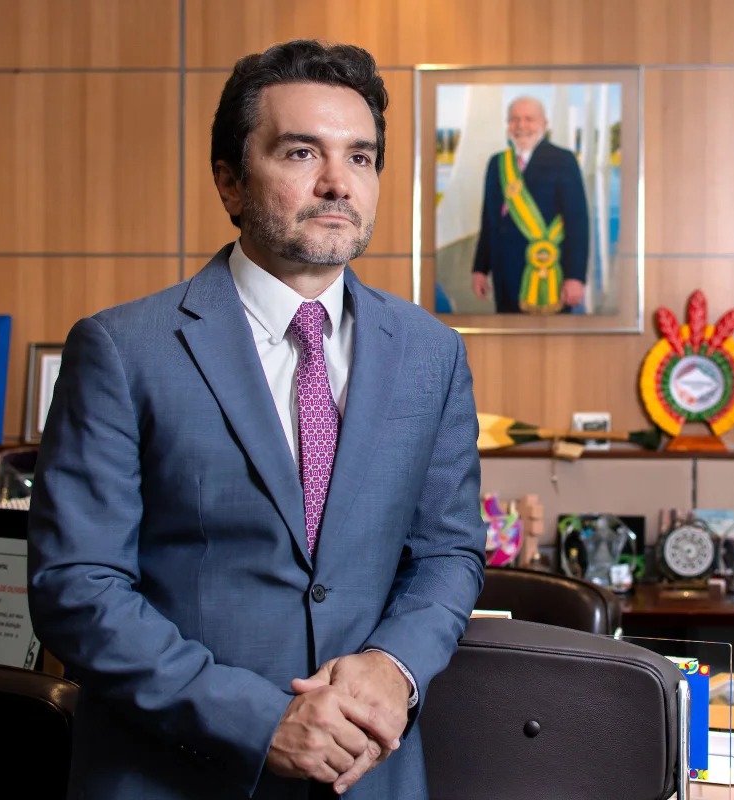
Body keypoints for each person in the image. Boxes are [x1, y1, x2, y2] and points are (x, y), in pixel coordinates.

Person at [27, 39, 486, 800]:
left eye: (361, 157)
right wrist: (260, 720)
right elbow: (77, 586)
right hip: (173, 775)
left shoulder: (431, 353)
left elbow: (448, 552)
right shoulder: (121, 349)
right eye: (302, 152)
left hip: (368, 774)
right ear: (230, 182)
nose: (338, 182)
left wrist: (393, 667)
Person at [471, 96, 589, 314]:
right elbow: (489, 221)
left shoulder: (563, 160)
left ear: (544, 123)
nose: (521, 125)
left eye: (529, 119)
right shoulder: (497, 163)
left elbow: (577, 222)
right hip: (504, 274)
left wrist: (575, 277)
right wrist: (480, 269)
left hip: (549, 272)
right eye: (514, 119)